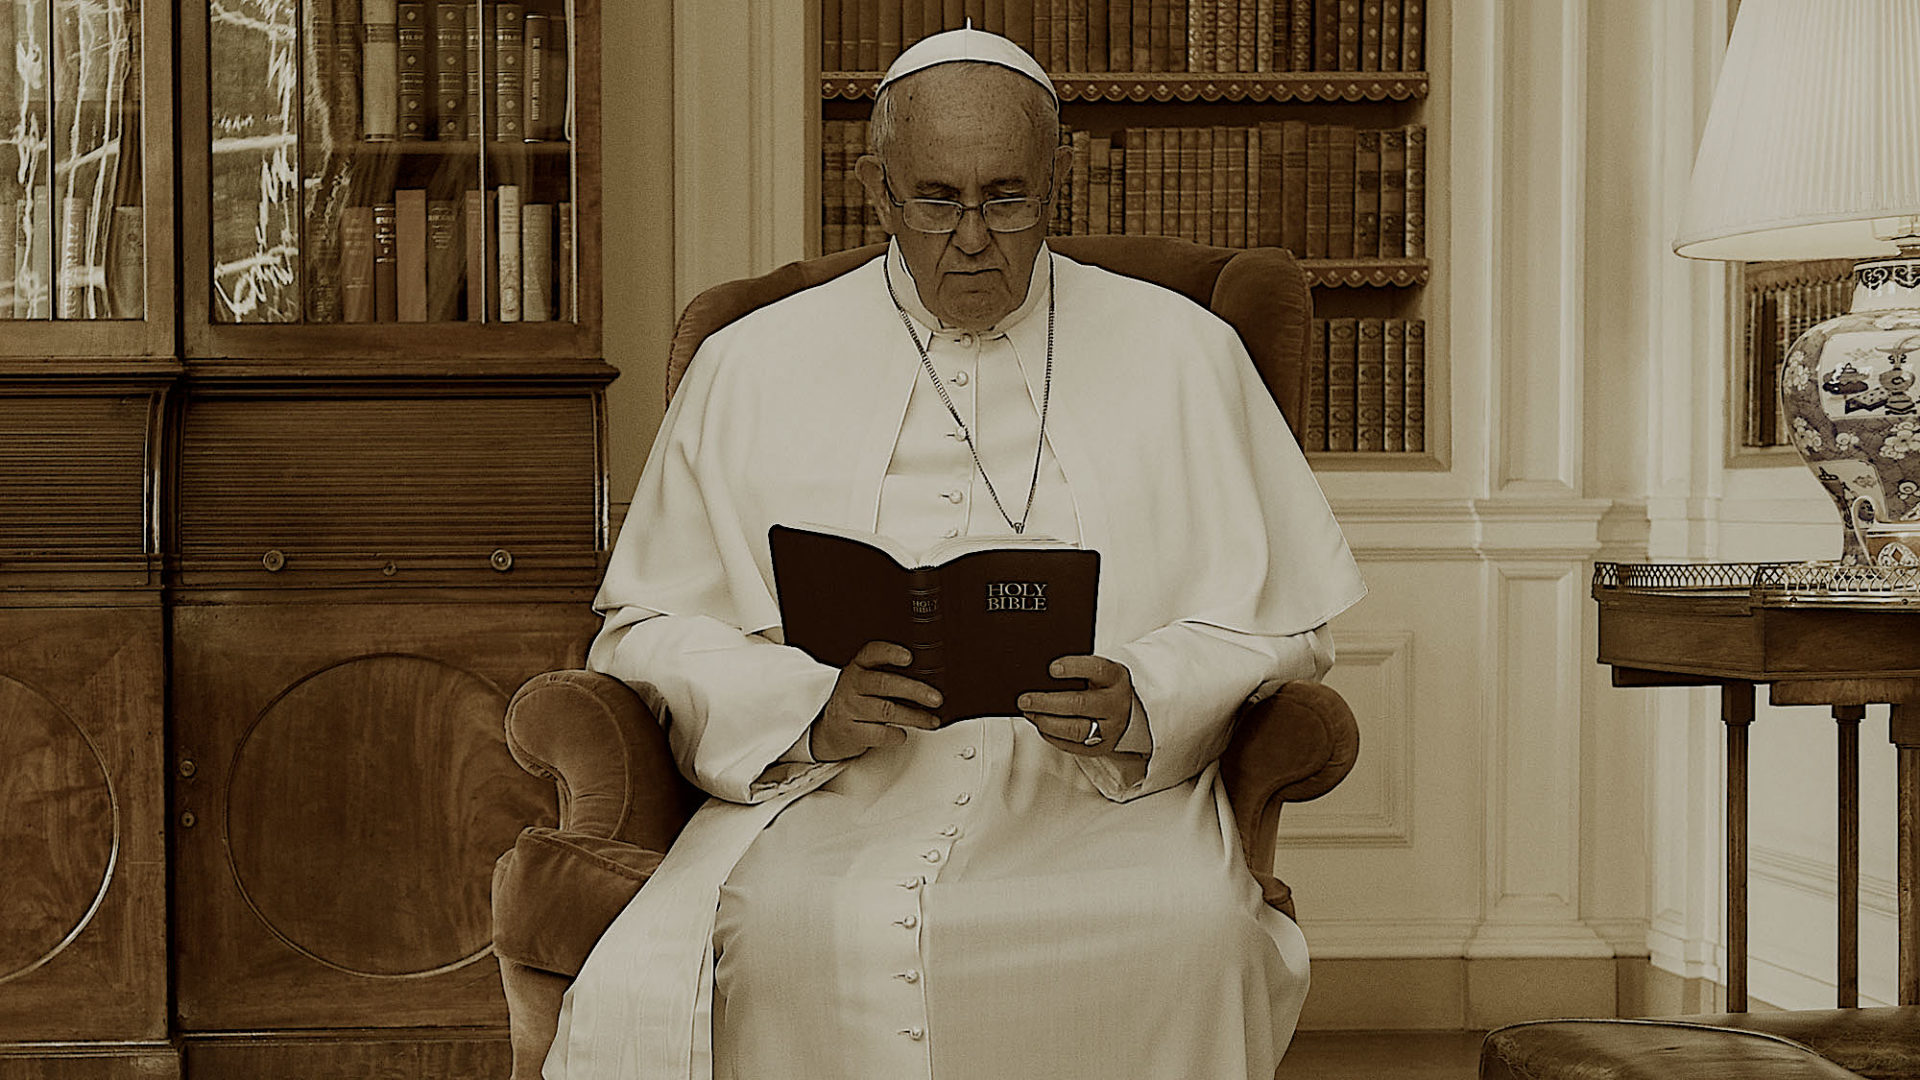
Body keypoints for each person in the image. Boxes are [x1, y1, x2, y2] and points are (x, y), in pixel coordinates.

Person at [546, 25, 1365, 1080]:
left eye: (1007, 198)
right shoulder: (750, 361)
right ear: (875, 192)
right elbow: (648, 626)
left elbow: (1285, 623)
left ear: (1059, 183)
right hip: (838, 791)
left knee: (1194, 929)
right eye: (936, 200)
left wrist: (1146, 697)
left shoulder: (1185, 351)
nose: (972, 237)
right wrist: (808, 709)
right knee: (781, 926)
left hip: (1099, 796)